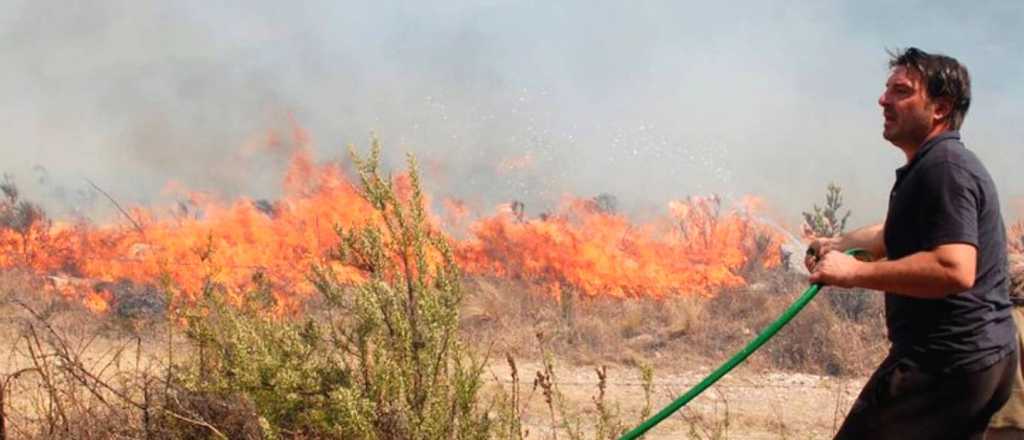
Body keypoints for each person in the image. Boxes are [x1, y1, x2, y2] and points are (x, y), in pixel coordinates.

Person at [806, 47, 1018, 440]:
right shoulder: (935, 164)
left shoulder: (944, 168)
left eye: (901, 91)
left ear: (939, 108)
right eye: (887, 89)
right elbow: (896, 233)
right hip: (977, 359)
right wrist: (839, 242)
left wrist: (854, 272)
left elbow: (954, 268)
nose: (883, 99)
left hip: (945, 364)